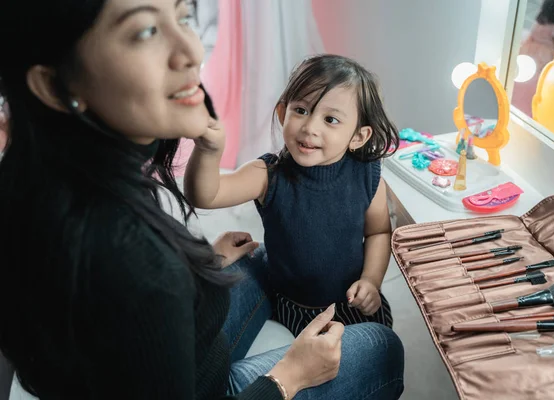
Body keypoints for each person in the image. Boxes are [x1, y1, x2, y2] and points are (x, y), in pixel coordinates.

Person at [0, 0, 405, 399]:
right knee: (382, 345)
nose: (193, 49)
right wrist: (288, 377)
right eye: (145, 31)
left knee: (255, 259)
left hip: (196, 356)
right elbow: (202, 200)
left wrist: (196, 263)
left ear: (359, 136)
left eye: (184, 16)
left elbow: (377, 230)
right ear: (55, 85)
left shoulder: (65, 186)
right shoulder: (131, 259)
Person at [185, 54, 400, 336]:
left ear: (358, 137)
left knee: (380, 344)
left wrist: (371, 280)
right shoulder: (268, 174)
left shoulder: (366, 174)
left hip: (348, 301)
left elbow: (379, 233)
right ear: (282, 113)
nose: (310, 128)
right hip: (288, 302)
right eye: (301, 110)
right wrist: (208, 151)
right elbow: (206, 196)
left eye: (331, 119)